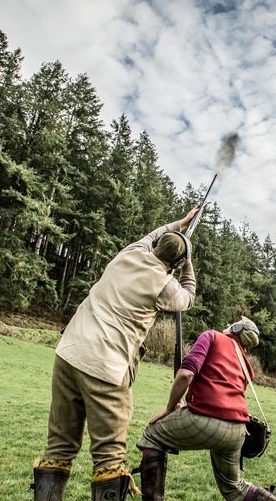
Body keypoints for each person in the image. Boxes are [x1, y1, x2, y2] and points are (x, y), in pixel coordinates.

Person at [31, 206, 200, 501]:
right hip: (106, 366)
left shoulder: (129, 253)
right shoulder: (164, 285)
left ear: (155, 247)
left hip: (69, 352)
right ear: (174, 264)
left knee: (59, 446)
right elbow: (188, 296)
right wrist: (188, 262)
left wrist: (180, 223)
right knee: (110, 456)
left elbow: (154, 235)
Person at [135, 317, 276, 501]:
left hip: (206, 420)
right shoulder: (245, 363)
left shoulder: (212, 336)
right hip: (237, 430)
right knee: (235, 489)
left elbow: (186, 374)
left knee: (152, 435)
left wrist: (170, 407)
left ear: (236, 328)